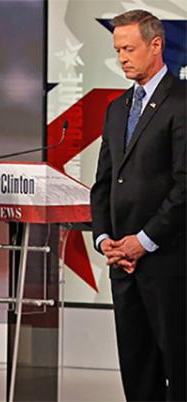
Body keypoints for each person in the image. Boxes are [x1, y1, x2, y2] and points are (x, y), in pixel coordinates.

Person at [90, 10, 186, 401]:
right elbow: (103, 183)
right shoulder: (116, 108)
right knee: (136, 368)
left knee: (179, 368)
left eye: (129, 48)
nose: (122, 58)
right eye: (117, 50)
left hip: (169, 263)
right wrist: (104, 240)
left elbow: (185, 186)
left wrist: (142, 241)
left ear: (156, 45)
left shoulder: (182, 102)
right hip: (123, 266)